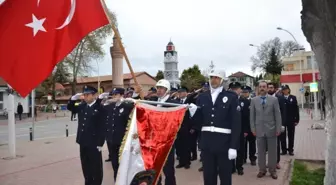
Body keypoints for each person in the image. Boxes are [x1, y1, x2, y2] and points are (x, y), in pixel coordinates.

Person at [193, 70, 241, 185]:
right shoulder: (202, 97)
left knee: (225, 177)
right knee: (208, 177)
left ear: (222, 80)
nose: (213, 80)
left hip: (224, 144)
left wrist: (233, 146)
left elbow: (236, 123)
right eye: (212, 77)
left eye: (217, 77)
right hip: (207, 144)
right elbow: (199, 124)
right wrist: (193, 113)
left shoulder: (231, 97)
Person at [67, 86, 105, 185]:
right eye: (84, 95)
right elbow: (71, 108)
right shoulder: (82, 106)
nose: (85, 97)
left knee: (96, 167)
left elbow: (103, 127)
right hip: (83, 141)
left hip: (94, 143)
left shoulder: (100, 108)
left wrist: (100, 143)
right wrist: (73, 99)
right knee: (86, 166)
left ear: (94, 95)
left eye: (88, 95)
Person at [250, 81, 282, 179]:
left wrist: (278, 128)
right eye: (260, 87)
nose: (262, 88)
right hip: (259, 130)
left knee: (272, 151)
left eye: (264, 86)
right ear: (258, 88)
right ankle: (262, 170)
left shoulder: (274, 100)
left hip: (272, 129)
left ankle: (272, 171)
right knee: (260, 152)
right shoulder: (254, 100)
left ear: (267, 88)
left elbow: (277, 115)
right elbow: (252, 116)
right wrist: (253, 129)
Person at [103, 87, 134, 181]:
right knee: (115, 163)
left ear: (121, 95)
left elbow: (138, 107)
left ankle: (124, 180)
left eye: (116, 94)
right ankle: (117, 180)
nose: (114, 96)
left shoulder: (127, 106)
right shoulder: (110, 106)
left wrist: (130, 100)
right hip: (111, 140)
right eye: (113, 94)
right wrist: (101, 98)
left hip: (122, 141)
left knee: (123, 164)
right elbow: (100, 107)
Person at [227, 82, 246, 176]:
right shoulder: (226, 101)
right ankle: (231, 168)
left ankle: (239, 167)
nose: (237, 90)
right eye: (234, 89)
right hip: (230, 130)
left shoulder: (244, 101)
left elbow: (246, 117)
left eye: (237, 89)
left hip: (241, 130)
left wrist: (246, 130)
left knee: (240, 150)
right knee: (230, 148)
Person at [267, 83, 285, 169]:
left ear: (274, 89)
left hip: (276, 125)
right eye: (269, 88)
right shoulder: (263, 98)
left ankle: (277, 162)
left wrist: (281, 124)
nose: (270, 89)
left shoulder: (280, 98)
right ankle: (269, 162)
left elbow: (283, 112)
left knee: (276, 144)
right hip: (265, 126)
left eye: (271, 88)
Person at [280, 85, 300, 156]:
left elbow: (296, 109)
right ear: (282, 91)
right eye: (283, 89)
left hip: (291, 120)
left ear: (289, 90)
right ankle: (284, 150)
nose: (285, 91)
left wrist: (297, 119)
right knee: (282, 136)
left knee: (291, 135)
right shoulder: (280, 98)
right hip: (282, 120)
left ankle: (291, 150)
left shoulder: (293, 98)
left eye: (286, 89)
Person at [175, 87, 192, 169]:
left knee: (186, 145)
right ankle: (181, 162)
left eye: (182, 92)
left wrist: (193, 127)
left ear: (185, 93)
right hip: (178, 127)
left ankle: (187, 162)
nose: (180, 94)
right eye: (179, 92)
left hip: (187, 126)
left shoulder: (190, 101)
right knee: (179, 145)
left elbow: (193, 115)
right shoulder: (177, 102)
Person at [242, 86, 257, 166]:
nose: (245, 93)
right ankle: (243, 158)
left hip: (252, 126)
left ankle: (252, 158)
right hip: (243, 126)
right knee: (243, 144)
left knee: (252, 144)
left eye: (246, 92)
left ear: (249, 93)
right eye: (243, 92)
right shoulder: (239, 101)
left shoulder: (253, 101)